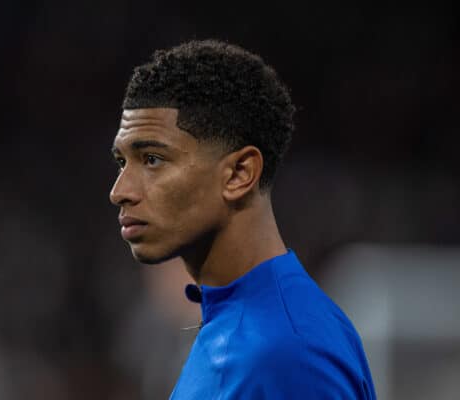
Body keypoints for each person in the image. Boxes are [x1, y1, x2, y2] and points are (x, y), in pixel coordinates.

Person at [109, 40, 376, 399]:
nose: (120, 191)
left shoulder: (285, 354)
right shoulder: (239, 324)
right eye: (122, 162)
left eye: (153, 159)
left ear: (239, 174)